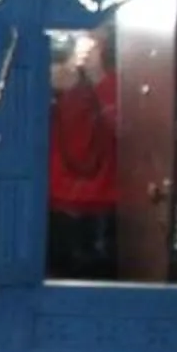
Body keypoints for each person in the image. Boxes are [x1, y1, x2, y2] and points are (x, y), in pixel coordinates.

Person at [48, 32, 120, 280]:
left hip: (103, 209)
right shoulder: (44, 89)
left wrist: (97, 76)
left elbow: (128, 130)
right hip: (54, 207)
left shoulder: (111, 84)